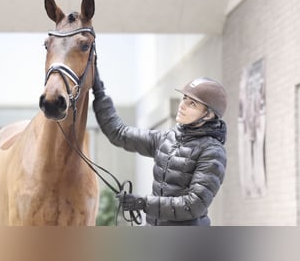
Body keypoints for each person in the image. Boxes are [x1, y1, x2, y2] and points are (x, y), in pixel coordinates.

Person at [92, 68, 227, 226]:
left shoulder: (212, 152)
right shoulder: (166, 139)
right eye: (184, 98)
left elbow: (193, 205)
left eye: (192, 104)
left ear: (209, 115)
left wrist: (144, 203)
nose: (182, 106)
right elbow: (119, 133)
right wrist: (99, 92)